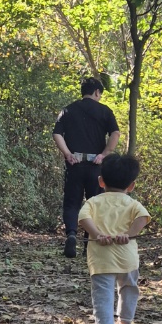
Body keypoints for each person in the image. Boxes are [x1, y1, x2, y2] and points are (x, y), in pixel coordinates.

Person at [78, 153, 150, 324]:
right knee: (129, 289)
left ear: (101, 181)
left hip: (101, 259)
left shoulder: (93, 202)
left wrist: (97, 234)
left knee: (103, 296)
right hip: (127, 258)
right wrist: (128, 234)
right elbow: (143, 218)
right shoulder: (132, 203)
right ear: (131, 185)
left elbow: (83, 218)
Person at [53, 76, 120, 257]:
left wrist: (67, 154)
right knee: (94, 205)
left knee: (72, 203)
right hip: (95, 165)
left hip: (74, 163)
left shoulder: (68, 110)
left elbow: (57, 134)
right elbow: (115, 133)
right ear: (97, 92)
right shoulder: (105, 111)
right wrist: (104, 154)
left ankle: (71, 235)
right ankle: (88, 244)